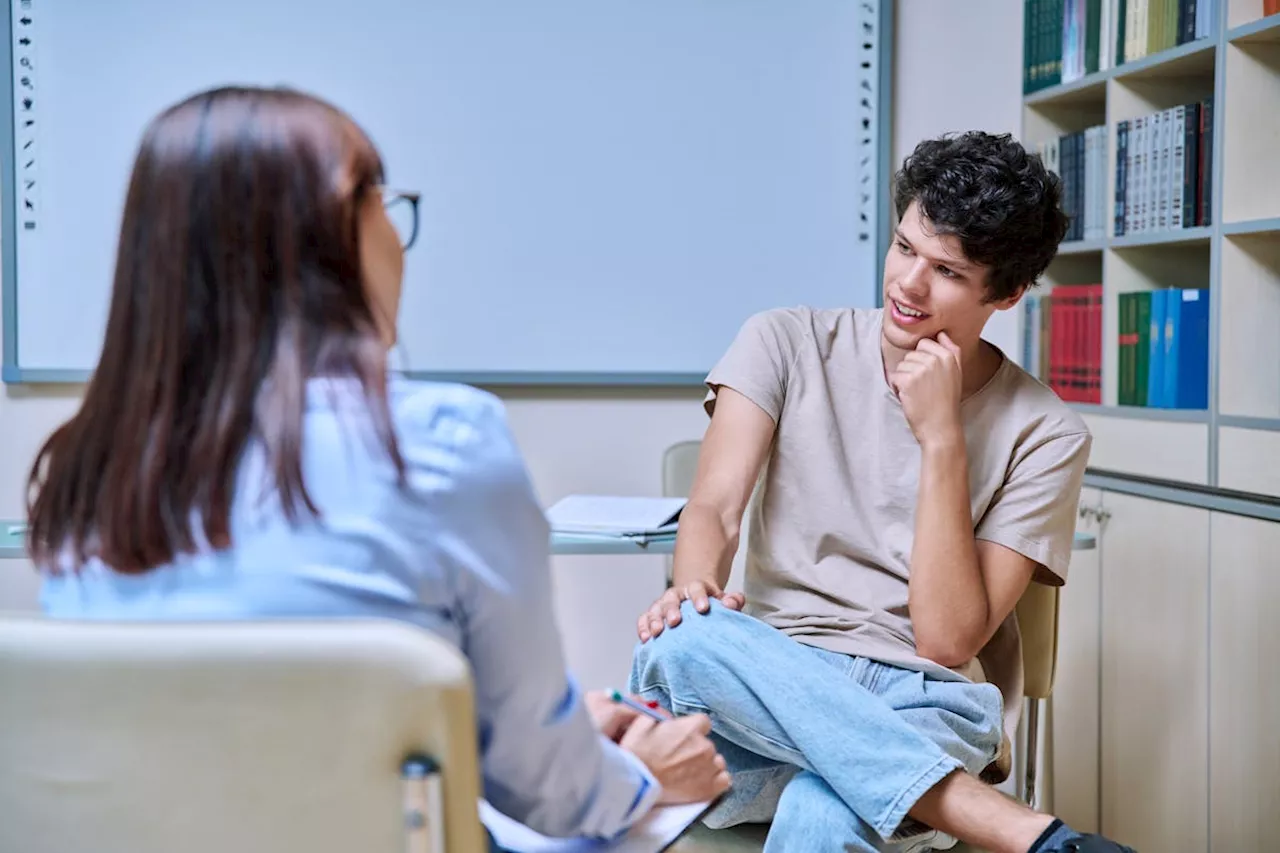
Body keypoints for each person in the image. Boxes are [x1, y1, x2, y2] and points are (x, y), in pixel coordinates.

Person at [25, 85, 729, 845]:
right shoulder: (442, 441)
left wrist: (548, 736)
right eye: (383, 202)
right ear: (333, 227)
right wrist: (645, 771)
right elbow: (548, 793)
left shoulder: (90, 469)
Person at [629, 132, 1136, 853]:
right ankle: (1015, 828)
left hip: (922, 702)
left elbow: (946, 636)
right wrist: (696, 586)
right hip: (770, 687)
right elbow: (713, 505)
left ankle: (907, 785)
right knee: (682, 641)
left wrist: (942, 439)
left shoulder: (1047, 433)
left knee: (824, 804)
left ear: (1009, 291)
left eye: (947, 271)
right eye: (904, 247)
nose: (907, 284)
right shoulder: (785, 340)